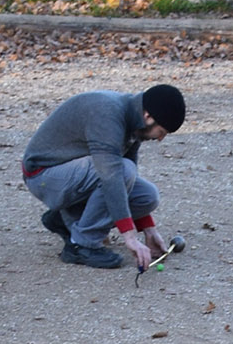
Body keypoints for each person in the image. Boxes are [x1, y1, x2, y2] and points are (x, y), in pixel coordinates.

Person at [20, 83, 185, 270]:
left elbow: (126, 182)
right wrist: (130, 237)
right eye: (162, 132)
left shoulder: (135, 121)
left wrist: (148, 228)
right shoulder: (108, 114)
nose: (160, 139)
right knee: (121, 171)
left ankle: (66, 219)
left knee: (147, 196)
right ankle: (82, 245)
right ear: (148, 117)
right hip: (43, 175)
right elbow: (112, 176)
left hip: (72, 173)